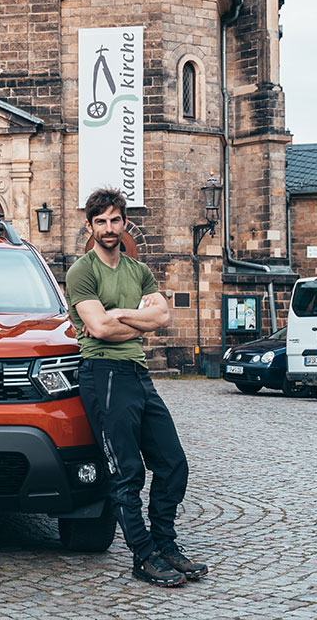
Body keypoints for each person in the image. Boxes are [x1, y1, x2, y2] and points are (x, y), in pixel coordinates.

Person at [66, 189, 207, 588]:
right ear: (90, 226)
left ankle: (166, 544)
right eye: (100, 222)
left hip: (138, 373)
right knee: (127, 473)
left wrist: (122, 313)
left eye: (114, 220)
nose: (109, 228)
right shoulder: (82, 271)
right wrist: (136, 318)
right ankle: (144, 556)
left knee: (173, 463)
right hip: (103, 374)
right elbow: (98, 328)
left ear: (124, 222)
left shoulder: (138, 270)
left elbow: (162, 317)